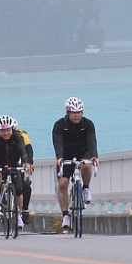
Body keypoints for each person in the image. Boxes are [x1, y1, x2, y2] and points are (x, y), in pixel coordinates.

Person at [52, 97, 99, 231]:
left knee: (86, 165)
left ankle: (85, 188)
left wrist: (94, 156)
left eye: (79, 112)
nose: (77, 115)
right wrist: (59, 157)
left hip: (82, 152)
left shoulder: (88, 124)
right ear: (68, 113)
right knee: (63, 184)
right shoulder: (59, 125)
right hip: (65, 155)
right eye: (74, 112)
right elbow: (57, 142)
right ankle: (66, 215)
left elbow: (91, 141)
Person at [0, 115, 32, 229]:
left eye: (8, 130)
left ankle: (18, 214)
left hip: (13, 162)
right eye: (2, 131)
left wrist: (26, 162)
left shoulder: (18, 136)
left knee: (19, 190)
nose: (6, 133)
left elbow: (23, 150)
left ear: (12, 129)